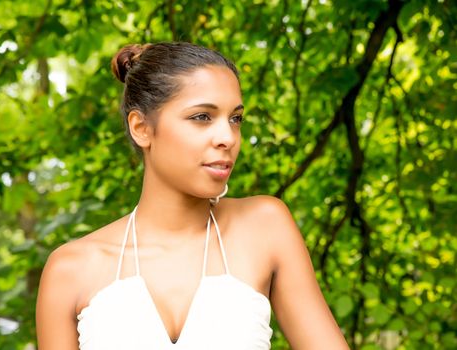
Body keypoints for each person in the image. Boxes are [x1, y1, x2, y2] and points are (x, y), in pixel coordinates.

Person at [36, 42, 349, 349]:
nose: (227, 137)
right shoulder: (70, 270)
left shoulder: (265, 226)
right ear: (141, 128)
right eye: (202, 117)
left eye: (235, 119)